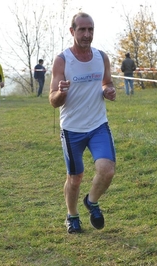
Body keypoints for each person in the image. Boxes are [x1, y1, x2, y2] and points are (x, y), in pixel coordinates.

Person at [49, 12, 116, 234]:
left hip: (98, 125)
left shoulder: (101, 57)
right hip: (72, 129)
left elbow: (106, 82)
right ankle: (72, 215)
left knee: (107, 170)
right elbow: (53, 101)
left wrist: (108, 90)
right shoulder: (62, 60)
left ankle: (92, 201)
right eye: (82, 30)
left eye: (90, 30)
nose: (87, 35)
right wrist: (61, 93)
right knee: (75, 178)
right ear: (72, 31)